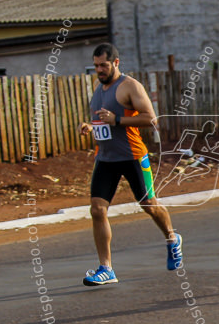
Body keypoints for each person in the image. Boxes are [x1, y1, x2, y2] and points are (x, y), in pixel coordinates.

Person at [77, 43, 182, 286]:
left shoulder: (130, 86)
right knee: (97, 209)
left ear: (116, 62)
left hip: (133, 156)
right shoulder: (98, 87)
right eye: (95, 66)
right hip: (106, 158)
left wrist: (117, 120)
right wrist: (90, 126)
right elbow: (102, 121)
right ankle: (106, 268)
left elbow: (150, 118)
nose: (99, 70)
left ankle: (172, 238)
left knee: (149, 205)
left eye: (103, 65)